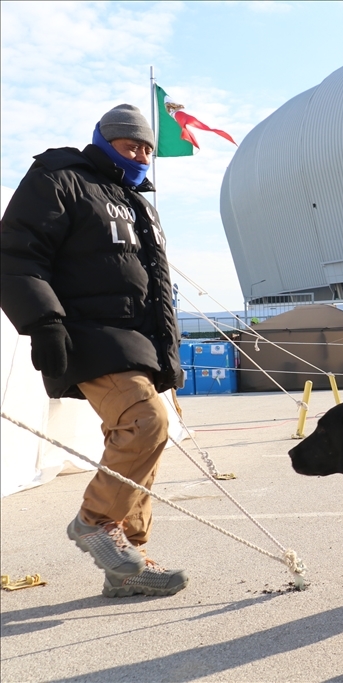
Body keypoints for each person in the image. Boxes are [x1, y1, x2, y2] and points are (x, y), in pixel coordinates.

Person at [0, 104, 187, 597]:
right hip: (88, 332)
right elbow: (17, 253)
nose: (141, 155)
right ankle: (93, 521)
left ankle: (129, 565)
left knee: (144, 446)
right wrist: (43, 322)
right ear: (104, 142)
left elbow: (154, 284)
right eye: (130, 145)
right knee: (145, 424)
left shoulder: (137, 202)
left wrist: (168, 350)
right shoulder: (60, 177)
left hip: (140, 341)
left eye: (147, 149)